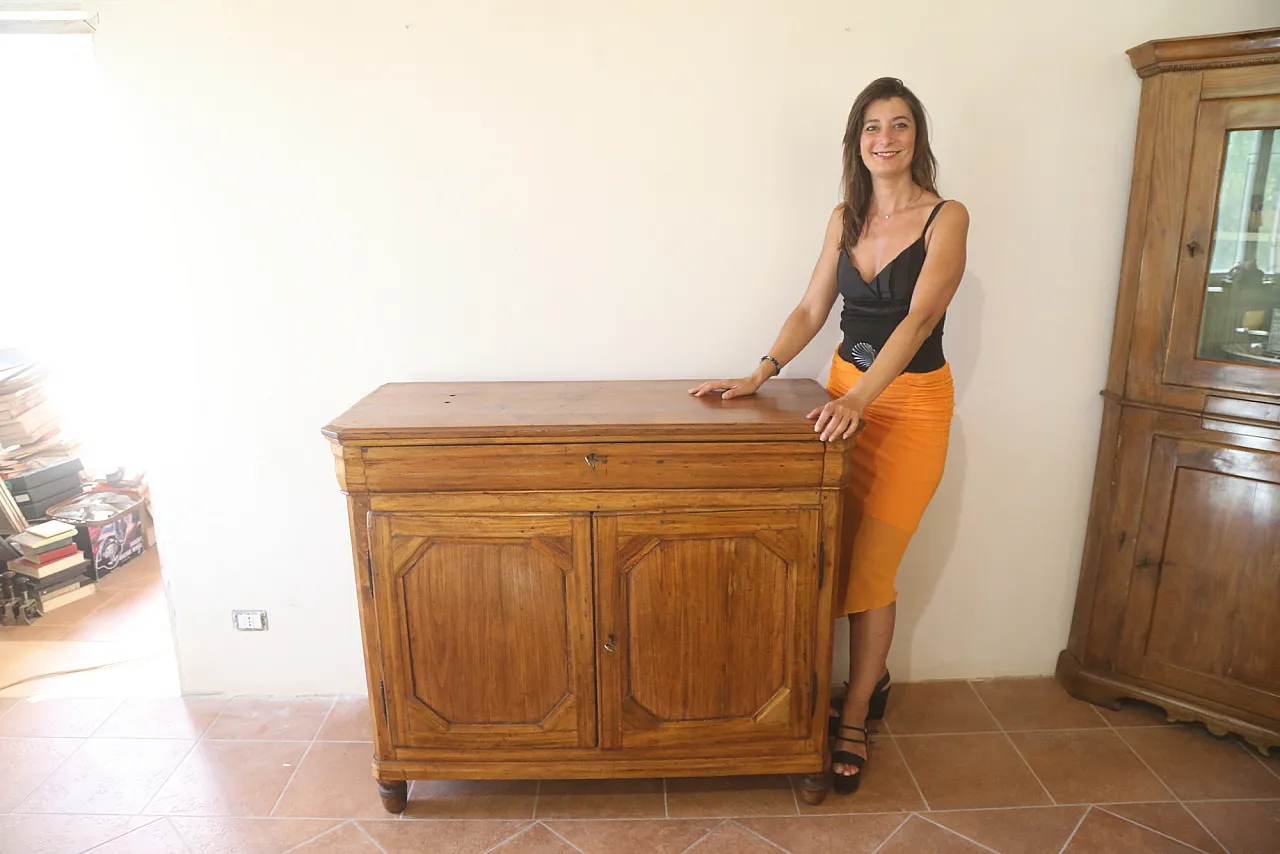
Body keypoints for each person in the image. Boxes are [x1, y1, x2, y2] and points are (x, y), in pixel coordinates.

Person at [689, 77, 968, 795]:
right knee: (827, 554)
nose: (885, 138)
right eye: (872, 126)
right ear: (857, 140)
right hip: (841, 395)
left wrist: (861, 402)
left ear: (917, 137)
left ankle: (855, 716)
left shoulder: (947, 217)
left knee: (872, 567)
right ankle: (866, 682)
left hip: (909, 409)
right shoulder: (845, 216)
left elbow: (919, 321)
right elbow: (814, 306)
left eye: (899, 125)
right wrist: (760, 373)